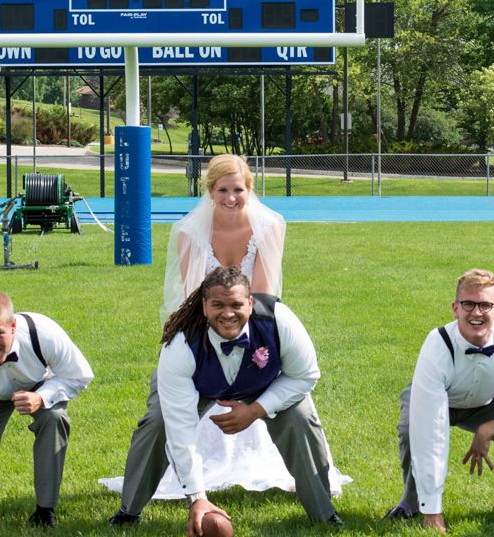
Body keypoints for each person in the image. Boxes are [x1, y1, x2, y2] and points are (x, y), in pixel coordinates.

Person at [99, 153, 349, 500]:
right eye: (222, 191)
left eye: (238, 190)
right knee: (191, 382)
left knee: (261, 367)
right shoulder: (190, 232)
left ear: (249, 189)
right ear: (210, 191)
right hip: (206, 324)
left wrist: (241, 339)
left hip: (252, 324)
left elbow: (263, 297)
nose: (230, 198)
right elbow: (192, 298)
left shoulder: (269, 227)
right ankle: (189, 473)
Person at [110, 266, 340, 534]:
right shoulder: (180, 344)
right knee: (158, 421)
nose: (228, 313)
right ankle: (129, 511)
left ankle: (324, 513)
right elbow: (180, 429)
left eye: (236, 305)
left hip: (263, 382)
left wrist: (256, 410)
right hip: (199, 385)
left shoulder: (279, 320)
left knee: (300, 417)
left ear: (250, 303)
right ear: (204, 306)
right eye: (218, 305)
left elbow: (305, 375)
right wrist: (197, 497)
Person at [387, 269, 494, 534]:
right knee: (414, 429)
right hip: (435, 398)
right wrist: (434, 512)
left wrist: (489, 428)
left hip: (487, 400)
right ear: (455, 308)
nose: (476, 313)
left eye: (485, 305)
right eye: (468, 304)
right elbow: (430, 434)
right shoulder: (437, 344)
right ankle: (414, 505)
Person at [0, 292, 93, 534]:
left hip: (39, 386)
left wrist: (42, 397)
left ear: (13, 326)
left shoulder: (43, 332)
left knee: (55, 418)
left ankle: (45, 511)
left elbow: (80, 375)